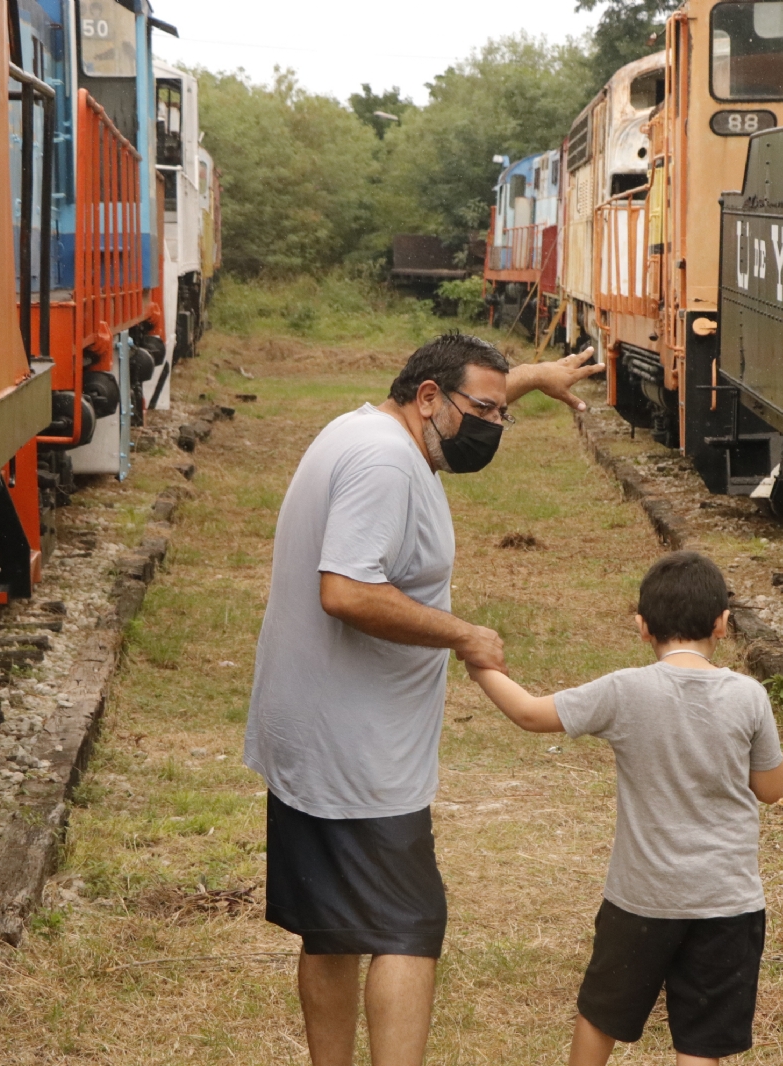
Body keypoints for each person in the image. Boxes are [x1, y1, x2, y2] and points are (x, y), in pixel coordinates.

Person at [244, 332, 604, 1066]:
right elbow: (344, 590)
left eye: (501, 414)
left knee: (332, 927)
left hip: (318, 735)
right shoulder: (384, 462)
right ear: (429, 398)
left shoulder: (365, 430)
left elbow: (475, 391)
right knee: (408, 924)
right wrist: (463, 635)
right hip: (356, 753)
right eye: (485, 411)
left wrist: (529, 378)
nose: (493, 428)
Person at [468, 550, 783, 1066]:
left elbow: (529, 714)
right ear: (723, 624)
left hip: (641, 899)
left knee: (601, 1015)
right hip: (727, 902)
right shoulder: (749, 696)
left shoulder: (625, 691)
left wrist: (476, 662)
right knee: (701, 1041)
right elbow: (770, 789)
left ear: (642, 627)